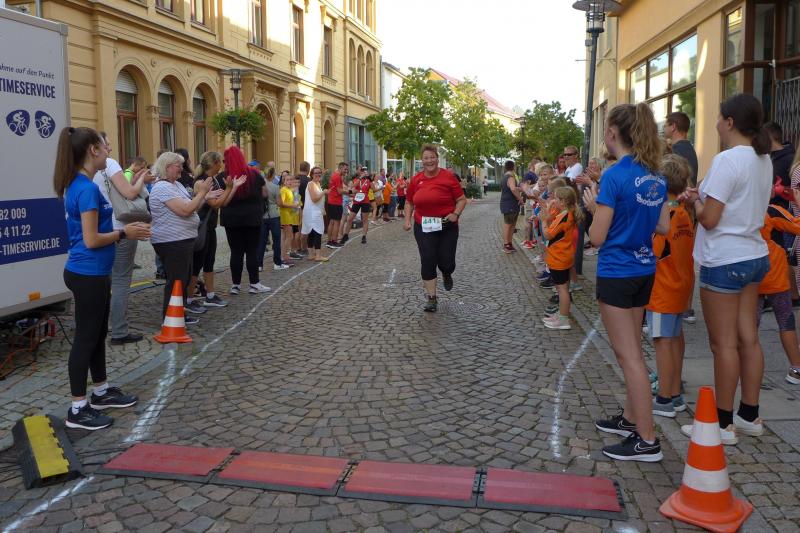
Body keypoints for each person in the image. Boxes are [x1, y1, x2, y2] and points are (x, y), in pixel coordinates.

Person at [680, 93, 773, 445]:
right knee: (748, 338)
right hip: (754, 253)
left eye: (719, 118)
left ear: (730, 122)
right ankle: (749, 414)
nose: (717, 124)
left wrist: (695, 200)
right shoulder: (762, 159)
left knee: (724, 345)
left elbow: (710, 219)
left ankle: (722, 423)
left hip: (724, 258)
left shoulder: (727, 160)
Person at [583, 102, 670, 462]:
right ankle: (631, 419)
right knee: (633, 348)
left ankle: (646, 439)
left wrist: (593, 209)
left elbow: (597, 237)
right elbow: (663, 226)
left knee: (629, 356)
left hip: (617, 271)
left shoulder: (615, 175)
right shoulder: (655, 174)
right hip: (644, 268)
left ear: (613, 133)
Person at [54, 127, 151, 429]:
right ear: (92, 151)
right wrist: (124, 232)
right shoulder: (84, 189)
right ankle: (77, 409)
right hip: (88, 273)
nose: (109, 150)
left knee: (96, 335)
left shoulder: (84, 184)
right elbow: (91, 239)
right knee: (85, 339)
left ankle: (101, 391)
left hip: (94, 272)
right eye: (104, 146)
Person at [92, 132, 153, 345]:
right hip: (121, 227)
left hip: (98, 230)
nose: (110, 148)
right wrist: (141, 180)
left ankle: (97, 326)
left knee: (100, 279)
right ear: (95, 147)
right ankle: (118, 331)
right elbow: (129, 193)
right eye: (107, 144)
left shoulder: (82, 168)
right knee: (120, 279)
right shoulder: (109, 163)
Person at [646, 155, 695, 419]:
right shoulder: (684, 214)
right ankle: (674, 394)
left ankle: (664, 398)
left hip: (662, 290)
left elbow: (653, 252)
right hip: (679, 287)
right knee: (674, 341)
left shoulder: (666, 216)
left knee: (662, 343)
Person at [150, 152, 220, 323]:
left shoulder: (176, 185)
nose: (181, 169)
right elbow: (185, 210)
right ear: (167, 167)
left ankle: (178, 313)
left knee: (183, 278)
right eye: (178, 165)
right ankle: (171, 317)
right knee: (176, 280)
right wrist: (202, 192)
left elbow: (192, 206)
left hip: (182, 240)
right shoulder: (162, 187)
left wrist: (204, 197)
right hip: (171, 241)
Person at [403, 144, 467, 312]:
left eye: (432, 157)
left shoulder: (448, 177)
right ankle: (432, 298)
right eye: (426, 158)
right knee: (428, 259)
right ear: (422, 160)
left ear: (438, 159)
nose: (429, 161)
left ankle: (446, 272)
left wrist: (455, 214)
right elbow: (409, 201)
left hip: (447, 226)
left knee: (447, 262)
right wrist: (407, 220)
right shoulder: (416, 180)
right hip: (423, 226)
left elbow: (461, 199)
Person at [756, 198, 800, 386]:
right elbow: (797, 226)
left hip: (751, 277)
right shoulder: (772, 211)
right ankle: (796, 369)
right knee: (786, 322)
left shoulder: (741, 209)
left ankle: (749, 371)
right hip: (775, 277)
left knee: (749, 328)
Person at [219, 146, 271, 295]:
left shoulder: (223, 176)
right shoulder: (254, 174)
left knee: (236, 252)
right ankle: (254, 284)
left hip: (231, 220)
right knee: (252, 251)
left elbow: (221, 198)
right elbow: (265, 193)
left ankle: (235, 285)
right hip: (252, 219)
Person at [187, 151, 230, 308]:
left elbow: (223, 202)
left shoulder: (214, 180)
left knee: (209, 262)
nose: (222, 165)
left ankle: (210, 295)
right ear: (215, 163)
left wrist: (232, 188)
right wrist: (229, 189)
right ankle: (189, 299)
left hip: (210, 227)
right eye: (220, 162)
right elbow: (216, 204)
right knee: (197, 264)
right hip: (201, 228)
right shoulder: (201, 182)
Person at [541, 186, 582, 330]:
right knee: (563, 288)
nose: (554, 201)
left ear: (563, 201)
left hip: (558, 258)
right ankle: (561, 313)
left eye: (556, 199)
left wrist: (544, 222)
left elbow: (548, 235)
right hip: (563, 256)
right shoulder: (567, 213)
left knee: (562, 289)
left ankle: (564, 319)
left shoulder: (564, 216)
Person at [264, 168, 290, 270]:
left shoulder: (260, 186)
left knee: (262, 241)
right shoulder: (275, 187)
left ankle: (259, 265)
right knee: (276, 239)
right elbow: (279, 203)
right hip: (274, 214)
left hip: (263, 215)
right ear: (272, 175)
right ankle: (277, 263)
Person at [302, 166, 329, 262]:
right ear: (312, 174)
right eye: (316, 173)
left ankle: (311, 255)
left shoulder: (317, 184)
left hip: (316, 211)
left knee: (312, 233)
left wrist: (323, 209)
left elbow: (319, 200)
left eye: (319, 173)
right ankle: (317, 255)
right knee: (317, 233)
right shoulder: (311, 184)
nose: (318, 174)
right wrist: (324, 192)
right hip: (312, 212)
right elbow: (314, 199)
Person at [341, 168, 372, 244]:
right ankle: (346, 235)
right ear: (359, 172)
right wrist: (360, 178)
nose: (363, 172)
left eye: (364, 171)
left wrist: (370, 178)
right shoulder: (356, 180)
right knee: (350, 219)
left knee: (364, 219)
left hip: (365, 201)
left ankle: (364, 236)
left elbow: (374, 189)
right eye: (362, 171)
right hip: (357, 201)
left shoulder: (368, 181)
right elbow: (353, 187)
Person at [500, 161, 523, 253]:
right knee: (508, 225)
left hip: (509, 203)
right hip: (510, 204)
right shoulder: (510, 177)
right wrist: (520, 199)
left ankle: (509, 244)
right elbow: (513, 188)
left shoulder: (504, 177)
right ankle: (506, 245)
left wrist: (519, 189)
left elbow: (511, 188)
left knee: (512, 225)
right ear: (513, 167)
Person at [325, 162, 348, 248]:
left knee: (331, 222)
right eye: (345, 169)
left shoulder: (333, 175)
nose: (346, 171)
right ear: (340, 168)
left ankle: (329, 241)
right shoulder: (338, 177)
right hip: (336, 202)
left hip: (331, 201)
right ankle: (334, 242)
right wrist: (349, 191)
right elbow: (339, 191)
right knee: (337, 223)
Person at [280, 173, 300, 263]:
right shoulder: (283, 190)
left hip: (289, 216)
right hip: (285, 216)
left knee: (287, 237)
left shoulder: (289, 190)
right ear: (284, 182)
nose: (289, 181)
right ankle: (284, 257)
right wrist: (293, 205)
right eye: (287, 180)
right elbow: (281, 203)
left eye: (291, 180)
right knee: (289, 236)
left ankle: (284, 256)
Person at [296, 161, 311, 255]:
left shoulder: (295, 179)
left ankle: (297, 248)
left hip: (295, 207)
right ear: (308, 169)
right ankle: (304, 248)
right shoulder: (309, 181)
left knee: (297, 229)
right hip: (306, 207)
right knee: (305, 229)